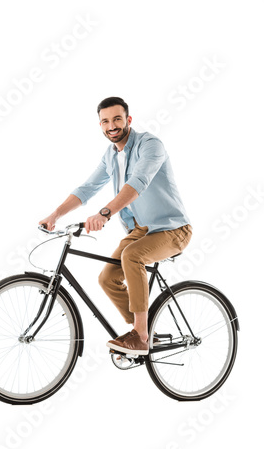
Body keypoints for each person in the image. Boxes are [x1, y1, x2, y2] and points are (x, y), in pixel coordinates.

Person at [39, 96, 192, 355]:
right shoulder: (110, 155)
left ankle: (141, 336)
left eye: (117, 119)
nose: (112, 125)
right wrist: (55, 215)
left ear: (128, 120)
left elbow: (139, 181)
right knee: (108, 278)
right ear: (100, 125)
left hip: (172, 228)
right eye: (105, 121)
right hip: (140, 230)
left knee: (132, 257)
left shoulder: (150, 145)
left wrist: (105, 213)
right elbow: (87, 188)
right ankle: (141, 331)